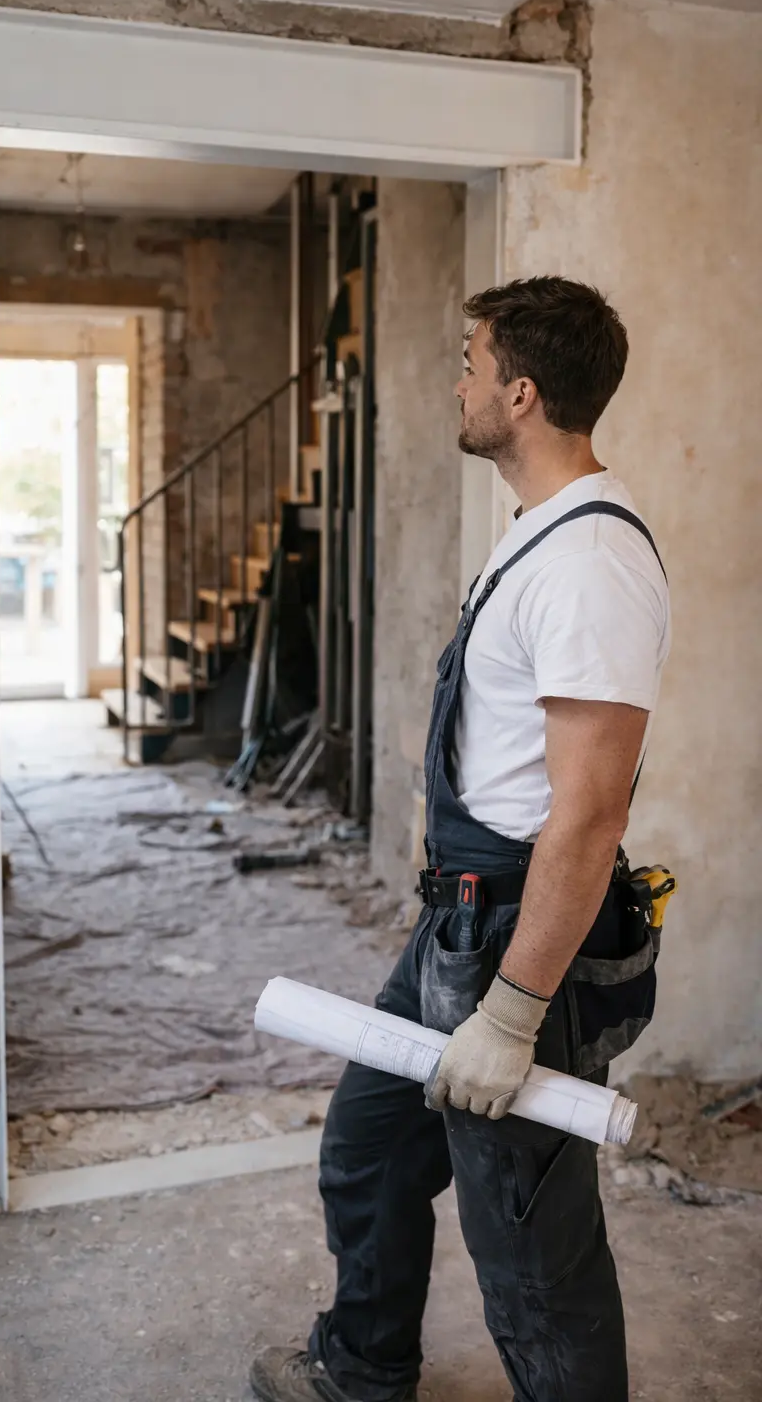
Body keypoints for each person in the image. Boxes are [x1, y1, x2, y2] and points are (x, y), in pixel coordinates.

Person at [250, 277, 672, 1402]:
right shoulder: (535, 535)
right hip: (459, 923)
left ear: (520, 393)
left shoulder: (590, 566)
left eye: (471, 362)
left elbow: (587, 818)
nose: (458, 380)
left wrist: (515, 1011)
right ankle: (363, 1366)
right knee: (371, 1152)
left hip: (515, 942)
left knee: (531, 1249)